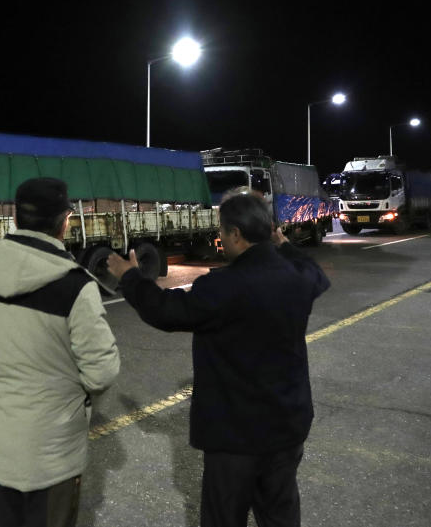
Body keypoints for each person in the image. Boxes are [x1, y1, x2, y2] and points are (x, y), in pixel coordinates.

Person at [107, 190, 330, 527]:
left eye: (223, 232)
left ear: (236, 235)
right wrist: (283, 243)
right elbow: (312, 268)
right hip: (286, 427)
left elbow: (165, 311)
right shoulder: (297, 277)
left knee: (224, 517)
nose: (220, 239)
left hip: (234, 437)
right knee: (280, 514)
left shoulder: (224, 286)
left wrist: (130, 277)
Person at [0, 177, 120, 527]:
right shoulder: (75, 286)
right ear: (65, 223)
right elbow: (102, 371)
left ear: (16, 220)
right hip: (53, 453)